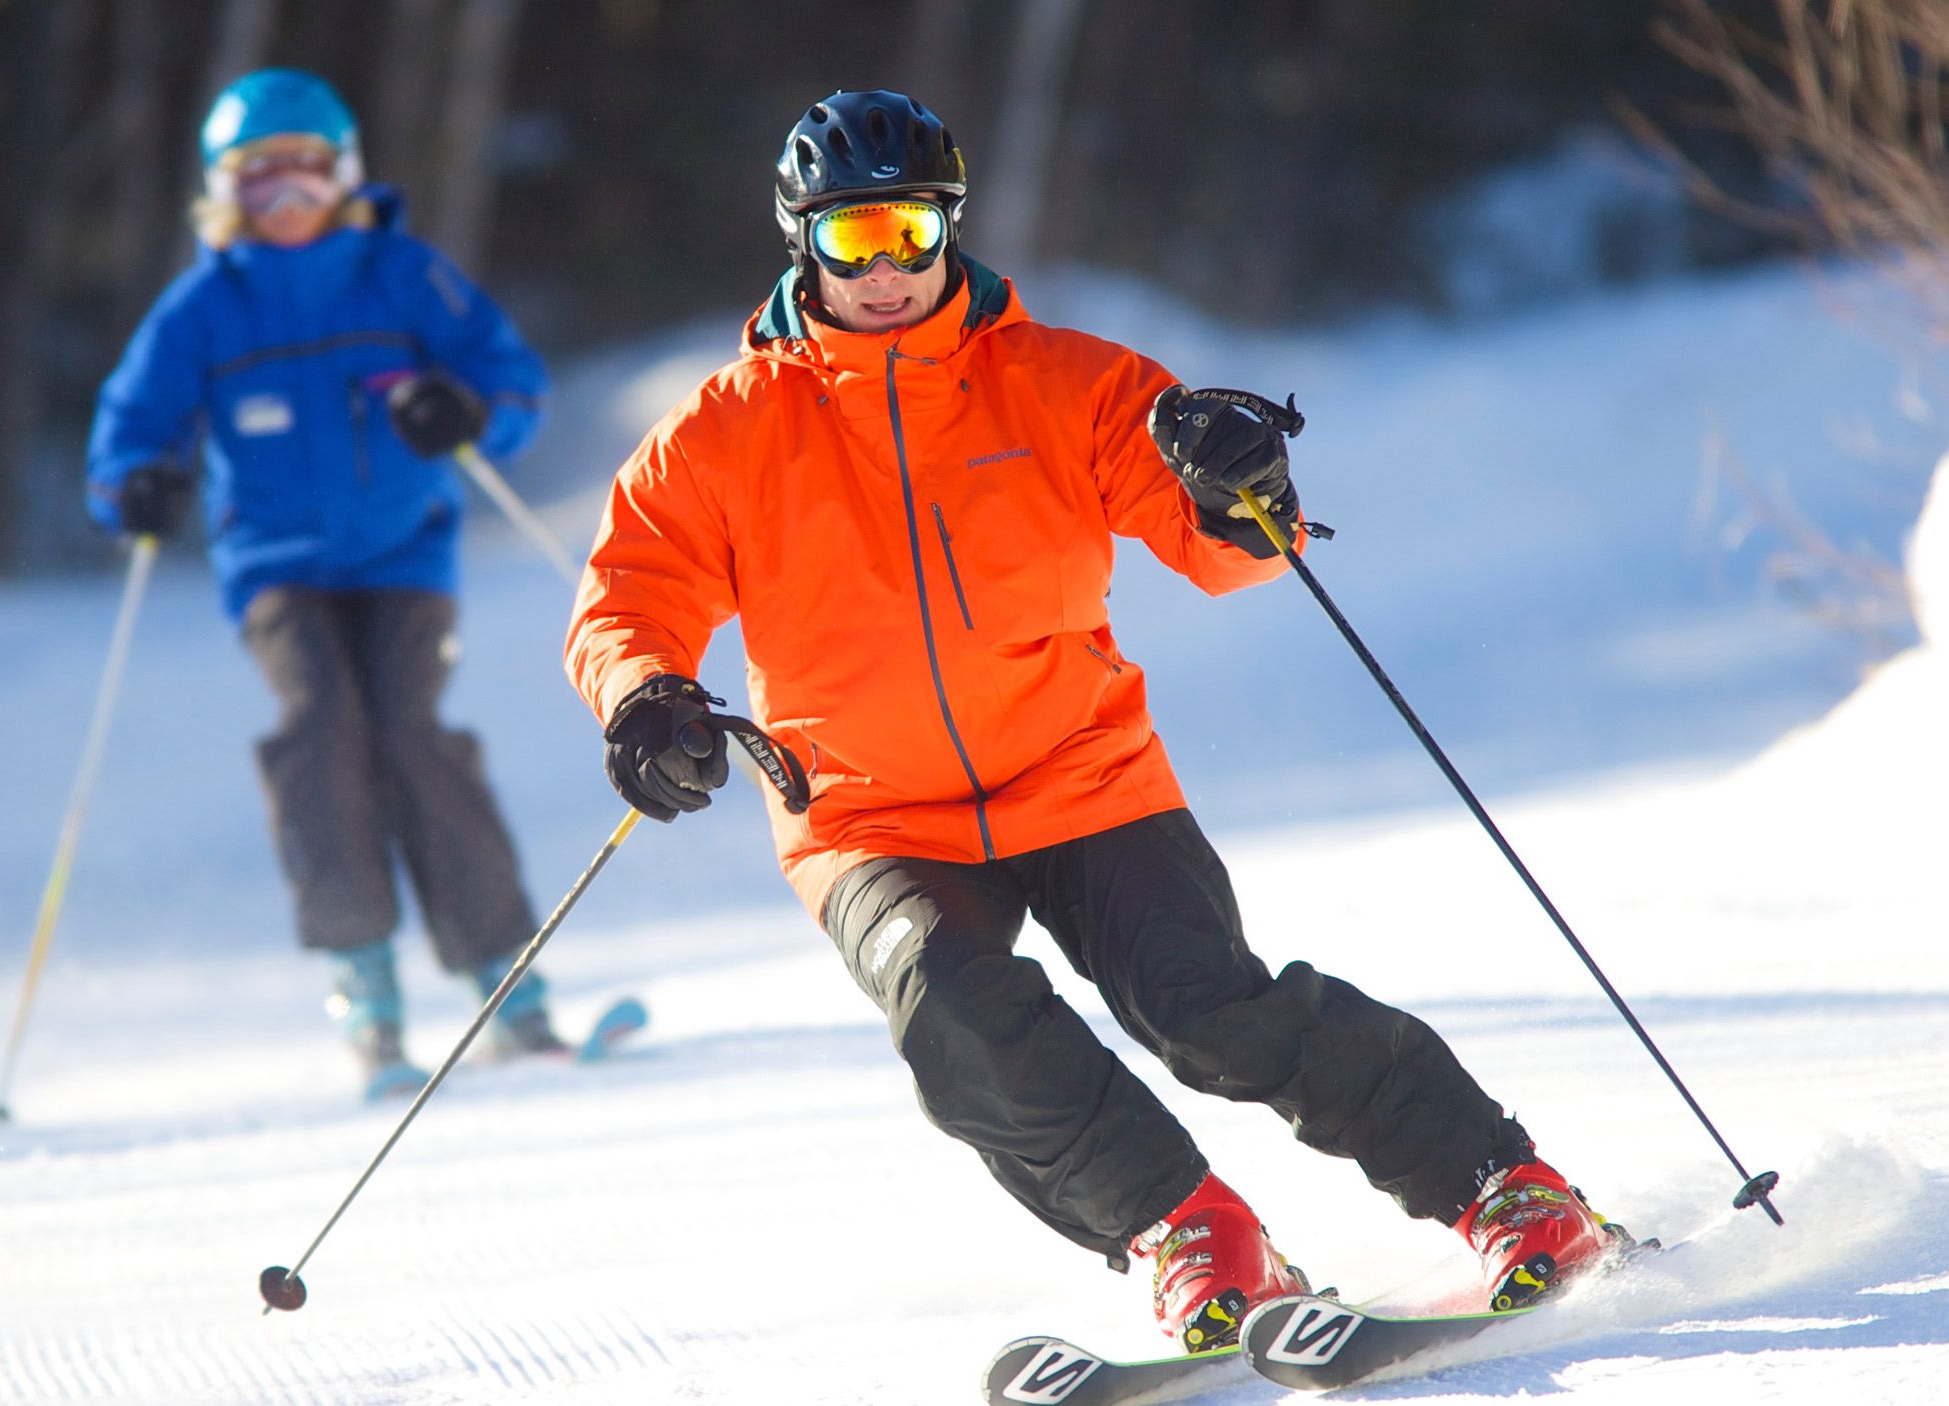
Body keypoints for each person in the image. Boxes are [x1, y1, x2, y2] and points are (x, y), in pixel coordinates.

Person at [563, 89, 1633, 1351]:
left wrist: (1247, 489)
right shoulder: (722, 431)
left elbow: (1224, 544)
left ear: (950, 226)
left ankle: (1509, 1188)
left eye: (911, 229)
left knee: (1207, 1008)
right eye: (854, 240)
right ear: (804, 243)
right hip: (866, 809)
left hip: (1082, 773)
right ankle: (1193, 1231)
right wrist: (646, 697)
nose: (890, 267)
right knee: (955, 1020)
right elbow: (630, 590)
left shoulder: (1067, 382)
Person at [87, 69, 565, 1102]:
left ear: (345, 175)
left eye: (307, 174)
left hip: (404, 558)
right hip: (276, 570)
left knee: (408, 731)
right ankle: (365, 984)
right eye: (262, 183)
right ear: (225, 193)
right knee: (320, 728)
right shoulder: (207, 306)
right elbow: (128, 425)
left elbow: (511, 377)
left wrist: (465, 410)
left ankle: (504, 979)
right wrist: (133, 485)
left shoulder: (400, 276)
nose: (288, 199)